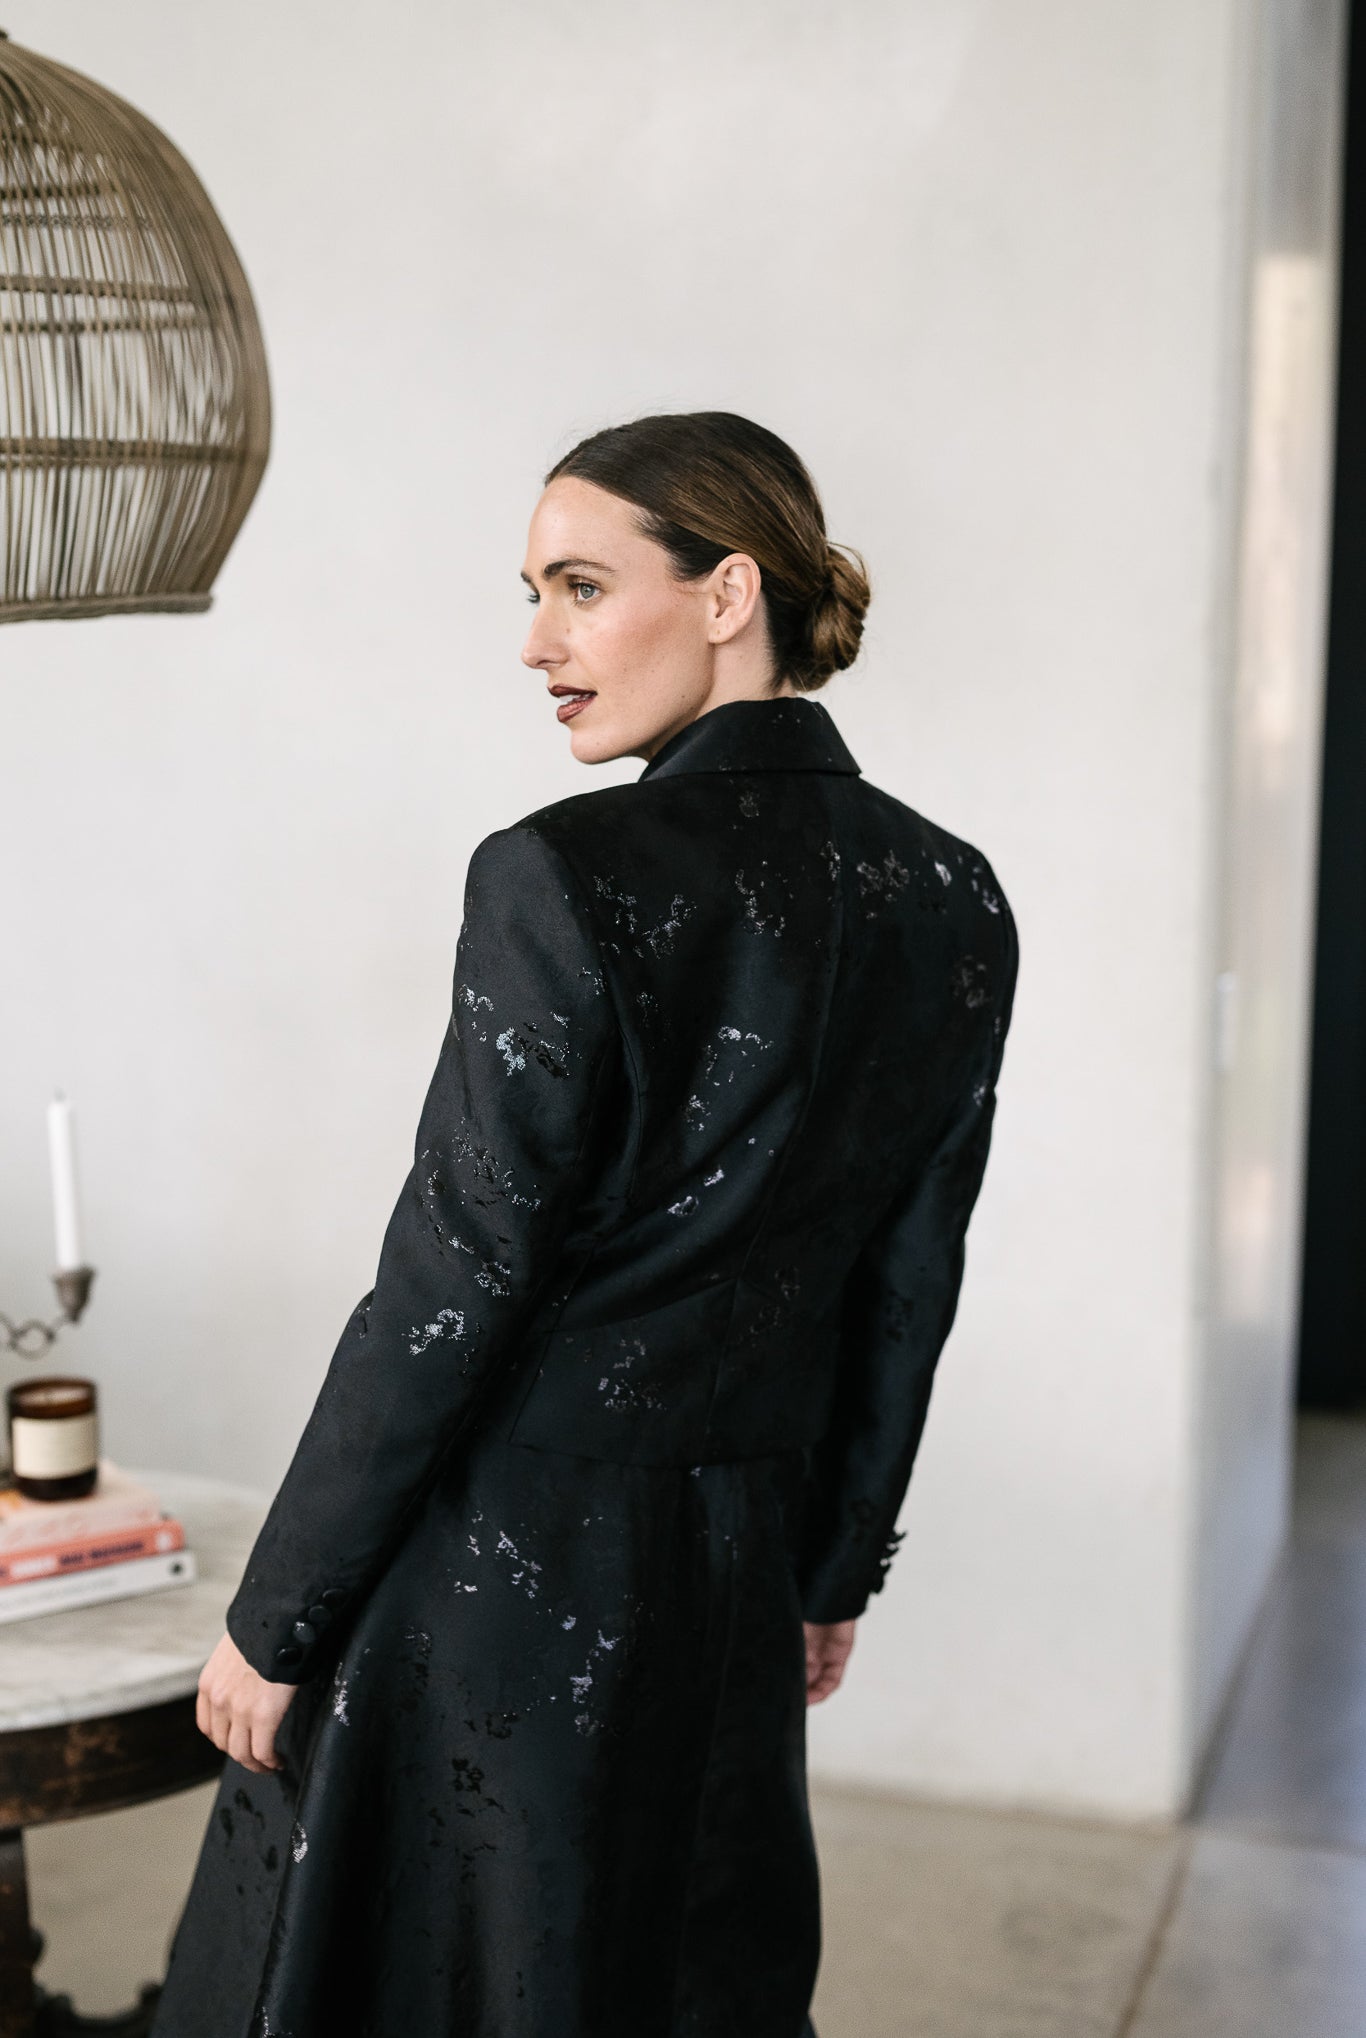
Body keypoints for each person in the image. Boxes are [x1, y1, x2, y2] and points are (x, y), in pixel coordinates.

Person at [150, 411, 1018, 2038]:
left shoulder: (562, 873)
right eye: (534, 592)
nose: (535, 641)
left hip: (503, 1578)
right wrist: (831, 1567)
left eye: (580, 585)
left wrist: (279, 1617)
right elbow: (910, 1275)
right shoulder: (952, 893)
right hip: (734, 1566)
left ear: (726, 592)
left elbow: (453, 1280)